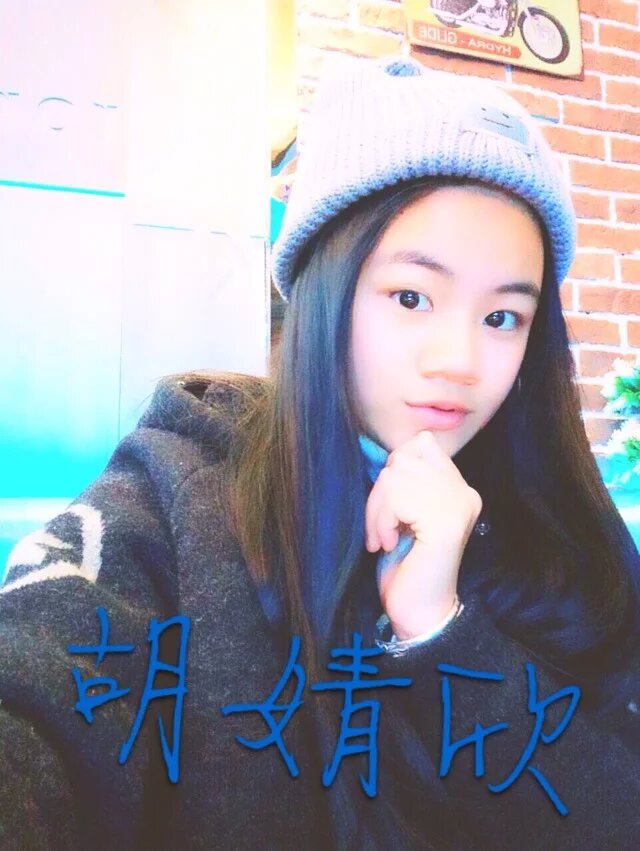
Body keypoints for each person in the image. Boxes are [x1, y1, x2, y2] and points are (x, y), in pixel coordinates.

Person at [1, 56, 638, 851]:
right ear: (324, 287)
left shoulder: (568, 541)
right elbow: (37, 698)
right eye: (412, 297)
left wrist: (440, 631)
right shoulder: (173, 497)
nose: (461, 361)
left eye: (503, 317)